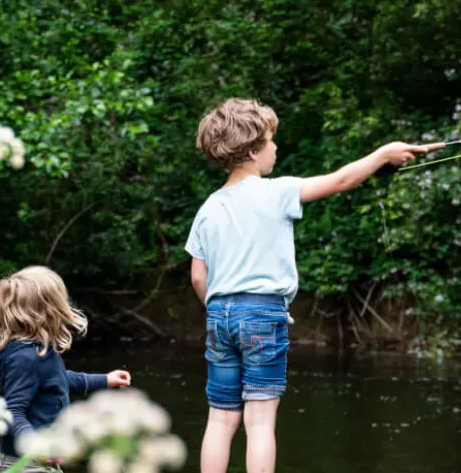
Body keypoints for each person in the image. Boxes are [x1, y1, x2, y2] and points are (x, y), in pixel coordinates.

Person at [183, 98, 441, 473]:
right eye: (271, 141)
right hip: (261, 314)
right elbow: (340, 181)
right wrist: (383, 154)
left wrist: (219, 310)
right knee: (259, 422)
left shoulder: (207, 207)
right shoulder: (276, 192)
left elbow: (196, 276)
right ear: (254, 150)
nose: (276, 148)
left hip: (218, 315)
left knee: (221, 419)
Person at [0, 266, 133, 473]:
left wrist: (105, 380)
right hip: (26, 464)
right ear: (48, 312)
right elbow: (12, 411)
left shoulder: (37, 352)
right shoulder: (25, 359)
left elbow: (59, 380)